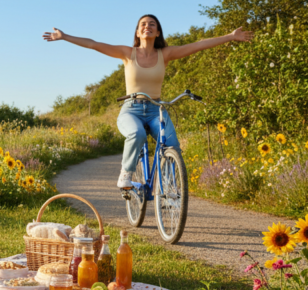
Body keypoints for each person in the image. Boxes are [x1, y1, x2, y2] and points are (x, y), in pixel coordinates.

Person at [43, 15, 252, 189]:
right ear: (137, 32)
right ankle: (125, 174)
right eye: (143, 24)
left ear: (158, 32)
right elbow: (94, 45)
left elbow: (198, 45)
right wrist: (64, 36)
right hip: (131, 109)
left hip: (156, 110)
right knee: (137, 133)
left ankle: (170, 189)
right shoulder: (127, 53)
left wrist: (230, 37)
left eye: (152, 24)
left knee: (172, 147)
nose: (147, 26)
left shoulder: (165, 54)